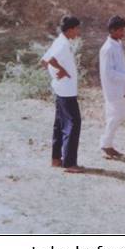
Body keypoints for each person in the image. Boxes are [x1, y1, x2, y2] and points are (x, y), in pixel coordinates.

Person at [40, 15, 84, 173]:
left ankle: (56, 159)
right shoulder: (63, 44)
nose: (78, 32)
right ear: (71, 29)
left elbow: (44, 61)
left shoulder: (59, 41)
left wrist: (57, 71)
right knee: (73, 123)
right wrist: (61, 70)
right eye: (77, 29)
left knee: (60, 124)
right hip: (66, 91)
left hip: (62, 89)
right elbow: (49, 60)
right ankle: (70, 163)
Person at [98, 16, 125, 159]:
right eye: (121, 30)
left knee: (115, 116)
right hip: (113, 88)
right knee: (117, 116)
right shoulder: (107, 48)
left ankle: (107, 144)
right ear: (112, 30)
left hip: (120, 87)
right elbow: (108, 72)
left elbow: (119, 67)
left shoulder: (118, 43)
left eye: (123, 29)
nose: (123, 32)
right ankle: (106, 144)